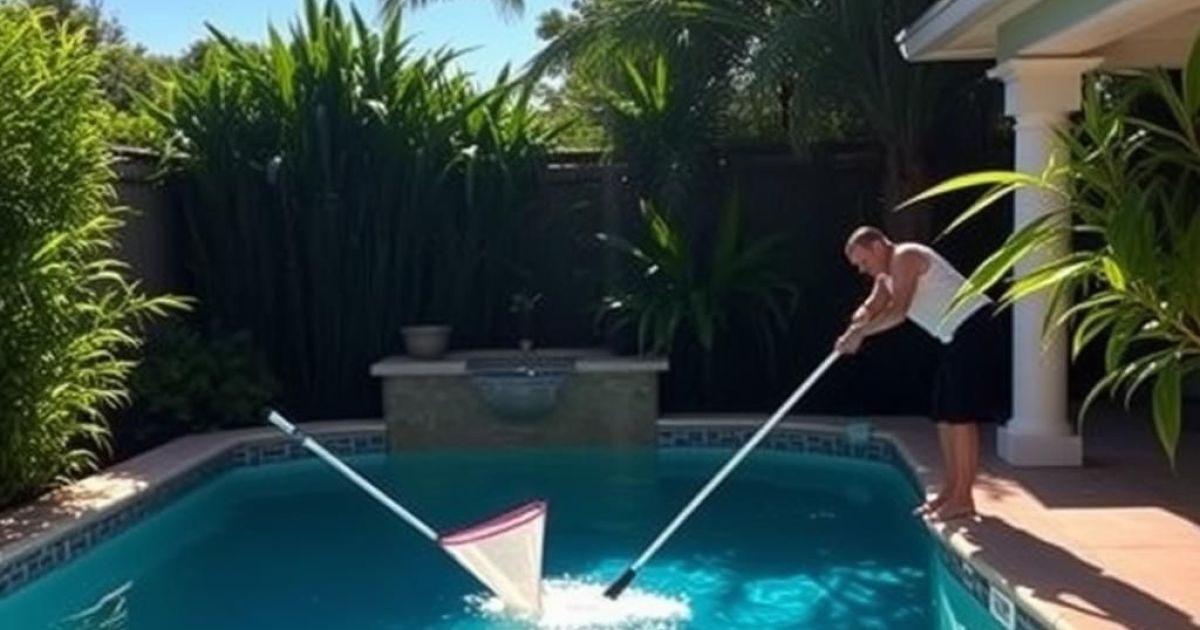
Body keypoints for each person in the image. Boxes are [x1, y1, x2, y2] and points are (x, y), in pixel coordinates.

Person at [835, 226, 1003, 521]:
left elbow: (898, 311)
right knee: (944, 414)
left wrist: (861, 334)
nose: (862, 269)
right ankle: (950, 492)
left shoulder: (906, 256)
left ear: (877, 246)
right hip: (952, 336)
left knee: (960, 416)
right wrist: (856, 324)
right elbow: (873, 305)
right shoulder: (885, 275)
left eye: (863, 261)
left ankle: (963, 498)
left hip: (973, 327)